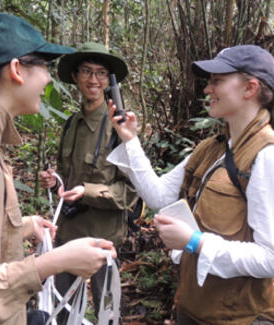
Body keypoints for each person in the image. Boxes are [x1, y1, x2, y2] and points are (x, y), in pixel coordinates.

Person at [0, 13, 116, 325]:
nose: (49, 79)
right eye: (44, 66)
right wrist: (52, 262)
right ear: (16, 70)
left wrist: (22, 226)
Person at [107, 45, 274, 325]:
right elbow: (158, 195)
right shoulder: (211, 149)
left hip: (239, 317)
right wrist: (129, 140)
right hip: (195, 307)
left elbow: (270, 258)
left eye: (216, 81)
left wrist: (196, 243)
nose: (207, 89)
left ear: (250, 89)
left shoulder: (266, 155)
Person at [39, 42, 138, 322]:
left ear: (109, 81)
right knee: (62, 310)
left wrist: (87, 192)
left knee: (107, 314)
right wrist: (55, 181)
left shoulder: (120, 128)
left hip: (103, 240)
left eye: (101, 73)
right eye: (86, 71)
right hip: (68, 235)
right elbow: (66, 178)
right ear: (75, 76)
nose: (93, 80)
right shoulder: (71, 124)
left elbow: (130, 192)